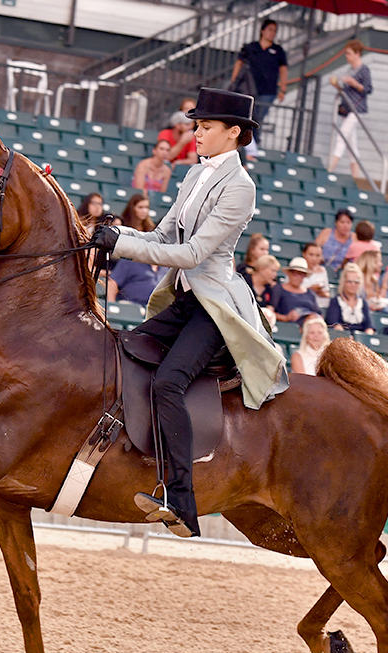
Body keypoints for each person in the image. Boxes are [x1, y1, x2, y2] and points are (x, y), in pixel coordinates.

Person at [90, 87, 288, 539]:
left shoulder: (241, 187)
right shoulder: (195, 175)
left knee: (169, 380)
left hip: (214, 306)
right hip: (184, 299)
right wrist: (110, 231)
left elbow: (193, 252)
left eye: (205, 127)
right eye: (196, 125)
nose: (195, 133)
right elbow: (162, 234)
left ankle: (180, 497)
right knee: (124, 352)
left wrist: (120, 245)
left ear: (233, 133)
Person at [230, 19, 287, 145]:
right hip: (249, 89)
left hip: (268, 90)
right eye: (270, 30)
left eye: (275, 31)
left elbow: (283, 69)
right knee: (247, 116)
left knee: (258, 118)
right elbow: (239, 63)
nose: (272, 33)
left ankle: (254, 143)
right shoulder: (251, 47)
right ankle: (246, 143)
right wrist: (234, 80)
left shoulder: (278, 50)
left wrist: (283, 88)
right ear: (263, 30)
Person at [328, 40, 372, 178]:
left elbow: (368, 88)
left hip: (356, 109)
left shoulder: (364, 70)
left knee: (342, 137)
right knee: (352, 145)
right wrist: (337, 86)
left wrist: (355, 83)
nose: (347, 56)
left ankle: (330, 168)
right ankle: (355, 176)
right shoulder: (350, 70)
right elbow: (345, 90)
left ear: (357, 54)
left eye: (349, 54)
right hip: (347, 108)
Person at [325, 264, 374, 334]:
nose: (353, 285)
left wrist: (367, 335)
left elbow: (369, 325)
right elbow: (333, 323)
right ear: (344, 282)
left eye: (356, 282)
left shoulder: (363, 303)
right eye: (349, 281)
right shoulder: (336, 301)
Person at [273, 257, 321, 324]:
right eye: (295, 273)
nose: (298, 277)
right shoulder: (279, 289)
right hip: (287, 325)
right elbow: (270, 311)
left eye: (301, 274)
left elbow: (319, 314)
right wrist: (285, 318)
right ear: (289, 273)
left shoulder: (310, 293)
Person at [314, 209, 354, 274]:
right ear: (336, 223)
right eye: (342, 222)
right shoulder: (327, 233)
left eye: (348, 223)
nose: (345, 226)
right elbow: (314, 249)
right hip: (323, 269)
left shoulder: (354, 238)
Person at [299, 240, 330, 307]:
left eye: (318, 255)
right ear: (304, 254)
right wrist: (310, 290)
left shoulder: (322, 271)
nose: (314, 259)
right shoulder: (296, 269)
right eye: (311, 255)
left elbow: (327, 293)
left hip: (320, 306)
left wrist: (321, 292)